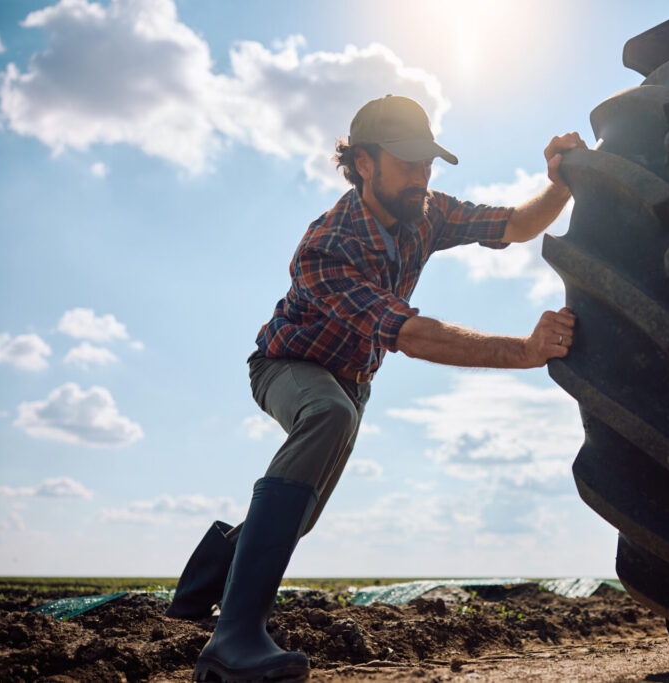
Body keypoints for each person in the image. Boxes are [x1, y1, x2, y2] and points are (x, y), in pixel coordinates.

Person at [165, 94, 585, 682]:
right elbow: (410, 335)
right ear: (363, 163)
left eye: (428, 163)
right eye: (407, 161)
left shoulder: (427, 213)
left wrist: (561, 184)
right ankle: (232, 640)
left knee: (299, 514)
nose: (421, 176)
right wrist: (526, 350)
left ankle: (196, 593)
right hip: (286, 366)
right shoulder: (327, 246)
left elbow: (515, 224)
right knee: (327, 416)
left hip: (352, 384)